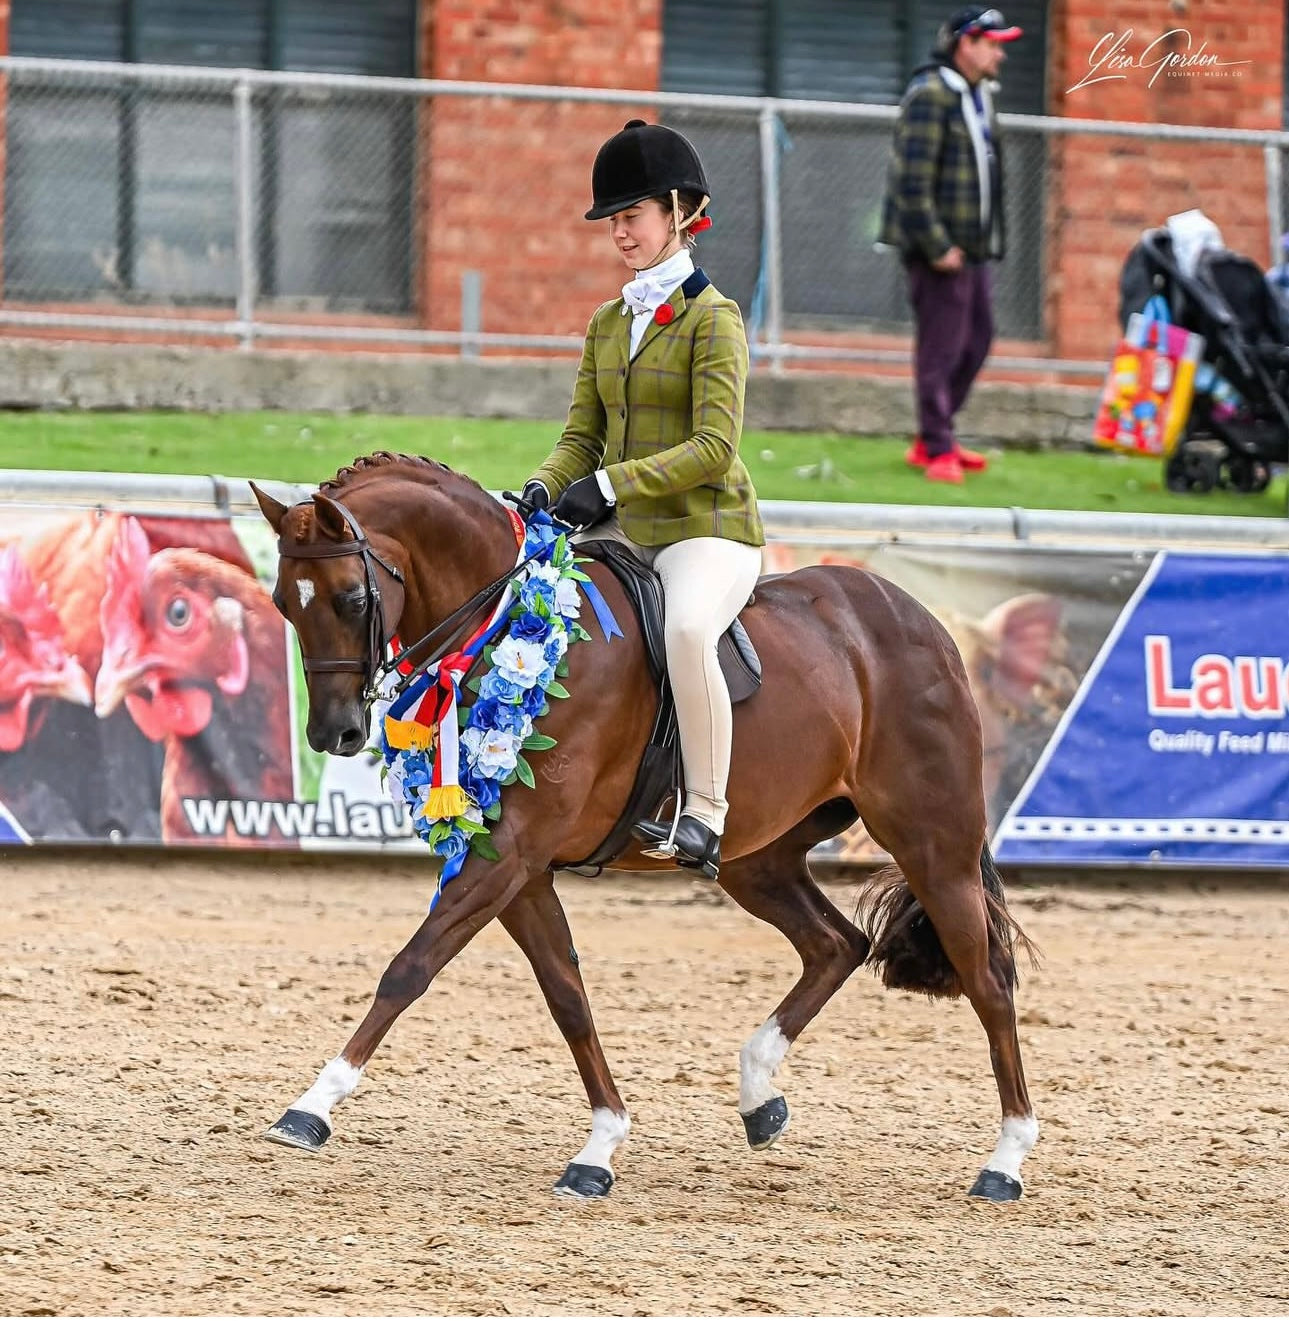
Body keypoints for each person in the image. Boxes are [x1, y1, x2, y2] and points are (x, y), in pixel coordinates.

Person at [520, 119, 764, 881]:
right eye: (612, 221)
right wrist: (544, 485)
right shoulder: (607, 322)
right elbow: (581, 438)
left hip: (705, 527)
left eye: (631, 216)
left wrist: (608, 486)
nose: (620, 233)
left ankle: (705, 810)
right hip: (626, 529)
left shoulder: (713, 318)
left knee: (686, 629)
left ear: (678, 212)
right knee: (542, 609)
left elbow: (713, 447)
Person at [878, 5, 1022, 484]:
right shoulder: (931, 94)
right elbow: (910, 182)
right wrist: (937, 245)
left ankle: (934, 435)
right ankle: (937, 446)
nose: (1000, 56)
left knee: (977, 341)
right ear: (967, 43)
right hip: (939, 251)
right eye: (994, 45)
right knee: (940, 350)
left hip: (973, 250)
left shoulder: (977, 95)